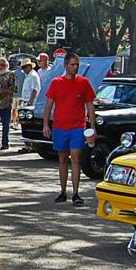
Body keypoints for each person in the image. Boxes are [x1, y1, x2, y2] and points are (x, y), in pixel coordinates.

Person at [42, 52, 96, 206]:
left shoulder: (83, 82)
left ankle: (76, 193)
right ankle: (63, 191)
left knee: (76, 159)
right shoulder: (56, 82)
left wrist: (93, 126)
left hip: (78, 127)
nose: (75, 67)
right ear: (65, 65)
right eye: (72, 64)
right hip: (60, 127)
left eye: (77, 64)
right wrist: (46, 124)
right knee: (63, 159)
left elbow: (90, 105)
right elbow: (49, 105)